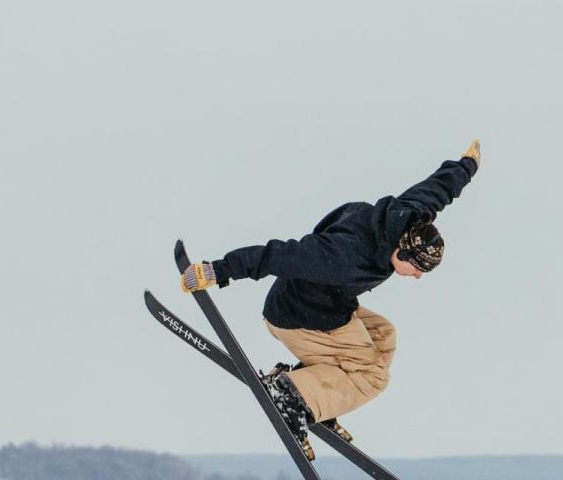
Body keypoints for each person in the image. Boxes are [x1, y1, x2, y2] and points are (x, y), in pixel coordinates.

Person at [180, 139, 481, 458]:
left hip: (326, 306)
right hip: (300, 318)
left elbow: (437, 190)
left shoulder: (406, 218)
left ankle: (321, 391)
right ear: (402, 251)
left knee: (383, 335)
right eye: (416, 268)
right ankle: (293, 395)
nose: (417, 276)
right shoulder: (344, 256)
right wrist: (217, 270)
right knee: (373, 376)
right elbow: (280, 255)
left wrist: (467, 166)